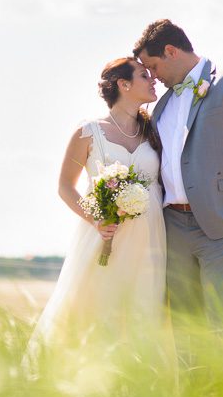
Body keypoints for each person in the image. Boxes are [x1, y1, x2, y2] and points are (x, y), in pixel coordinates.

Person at [133, 19, 223, 362]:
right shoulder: (162, 105)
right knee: (185, 328)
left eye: (153, 66)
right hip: (173, 227)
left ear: (170, 50)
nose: (153, 77)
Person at [27, 58, 166, 354]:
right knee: (97, 312)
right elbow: (65, 186)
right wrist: (96, 220)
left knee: (143, 313)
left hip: (151, 240)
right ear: (123, 84)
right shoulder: (89, 131)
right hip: (106, 238)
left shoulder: (154, 131)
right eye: (144, 75)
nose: (153, 79)